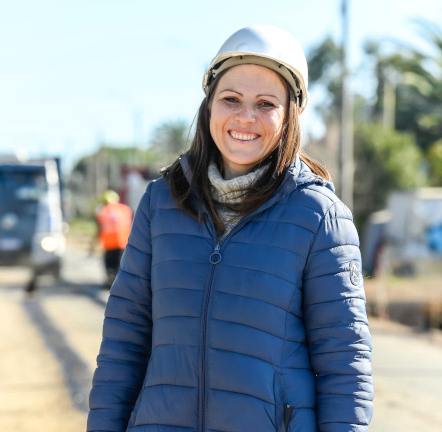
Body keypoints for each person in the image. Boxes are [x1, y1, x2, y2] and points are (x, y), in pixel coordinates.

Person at [87, 25, 373, 432]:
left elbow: (345, 366)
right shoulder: (161, 202)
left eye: (265, 103)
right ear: (209, 106)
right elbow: (124, 340)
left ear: (291, 114)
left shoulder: (319, 216)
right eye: (231, 99)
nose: (245, 117)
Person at [93, 190, 134, 286]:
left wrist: (94, 243)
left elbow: (100, 228)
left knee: (109, 264)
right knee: (120, 264)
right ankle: (121, 282)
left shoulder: (101, 211)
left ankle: (110, 281)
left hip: (109, 244)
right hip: (123, 243)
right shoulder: (125, 209)